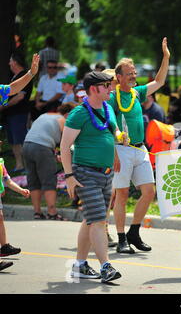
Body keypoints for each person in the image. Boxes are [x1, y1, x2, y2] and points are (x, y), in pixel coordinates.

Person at [60, 71, 122, 283]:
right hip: (85, 173)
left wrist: (116, 150)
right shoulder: (79, 113)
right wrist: (69, 176)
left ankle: (79, 266)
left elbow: (110, 134)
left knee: (90, 219)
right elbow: (64, 147)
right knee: (98, 220)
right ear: (94, 89)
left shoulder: (108, 108)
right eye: (107, 85)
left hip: (106, 173)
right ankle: (106, 266)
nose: (111, 88)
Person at [110, 37, 170, 254]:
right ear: (119, 77)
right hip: (121, 150)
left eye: (134, 72)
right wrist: (112, 151)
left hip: (139, 148)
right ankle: (120, 238)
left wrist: (166, 57)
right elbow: (106, 124)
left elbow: (160, 81)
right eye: (129, 73)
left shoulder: (137, 93)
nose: (134, 76)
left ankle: (134, 232)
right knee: (122, 195)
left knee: (148, 191)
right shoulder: (112, 98)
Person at [23, 103, 75, 220]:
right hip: (42, 147)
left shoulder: (44, 115)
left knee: (34, 180)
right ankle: (52, 213)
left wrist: (54, 153)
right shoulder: (62, 119)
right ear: (67, 114)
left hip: (27, 145)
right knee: (49, 180)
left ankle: (37, 212)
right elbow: (65, 141)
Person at [0, 53, 35, 173]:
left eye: (10, 60)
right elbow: (8, 92)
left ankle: (29, 167)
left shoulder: (24, 76)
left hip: (19, 114)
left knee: (21, 140)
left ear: (15, 62)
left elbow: (18, 95)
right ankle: (20, 165)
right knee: (13, 141)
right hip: (10, 114)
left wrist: (3, 106)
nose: (9, 63)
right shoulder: (15, 77)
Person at [0, 158, 30, 271]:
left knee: (0, 218)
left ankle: (4, 247)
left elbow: (7, 180)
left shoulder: (0, 163)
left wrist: (21, 190)